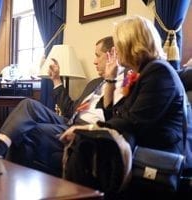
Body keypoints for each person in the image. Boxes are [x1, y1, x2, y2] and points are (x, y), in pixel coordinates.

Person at [60, 15, 192, 193]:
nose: (116, 49)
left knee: (86, 141)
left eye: (118, 43)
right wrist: (111, 79)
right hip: (139, 144)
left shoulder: (159, 71)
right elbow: (115, 115)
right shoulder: (143, 73)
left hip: (161, 155)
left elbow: (132, 122)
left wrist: (87, 129)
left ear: (131, 43)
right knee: (86, 142)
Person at [0, 36, 125, 174]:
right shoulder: (94, 83)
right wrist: (56, 79)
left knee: (25, 131)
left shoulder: (124, 84)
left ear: (111, 55)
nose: (94, 61)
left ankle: (4, 174)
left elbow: (115, 118)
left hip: (87, 129)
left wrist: (111, 79)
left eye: (97, 55)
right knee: (28, 104)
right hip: (70, 121)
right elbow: (70, 110)